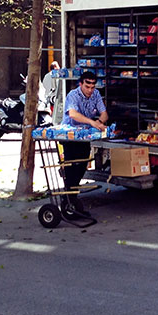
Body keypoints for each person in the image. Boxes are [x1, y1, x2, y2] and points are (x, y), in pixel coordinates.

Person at [61, 71, 108, 210]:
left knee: (82, 165)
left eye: (93, 86)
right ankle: (68, 199)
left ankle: (72, 198)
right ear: (81, 84)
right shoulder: (73, 95)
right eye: (87, 86)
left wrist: (99, 121)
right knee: (72, 166)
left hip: (84, 137)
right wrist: (92, 123)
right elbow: (73, 114)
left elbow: (104, 113)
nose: (90, 90)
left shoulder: (96, 94)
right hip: (70, 136)